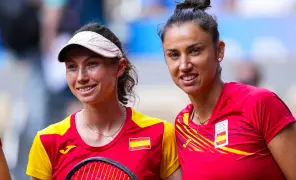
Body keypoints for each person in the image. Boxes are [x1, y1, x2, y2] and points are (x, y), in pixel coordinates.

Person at [158, 0, 296, 179]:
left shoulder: (260, 104)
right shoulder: (182, 125)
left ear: (219, 51)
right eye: (173, 55)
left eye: (195, 51)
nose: (184, 65)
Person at [26, 23, 181, 180]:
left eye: (92, 64)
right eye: (72, 67)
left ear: (119, 67)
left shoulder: (160, 134)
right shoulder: (47, 141)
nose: (81, 77)